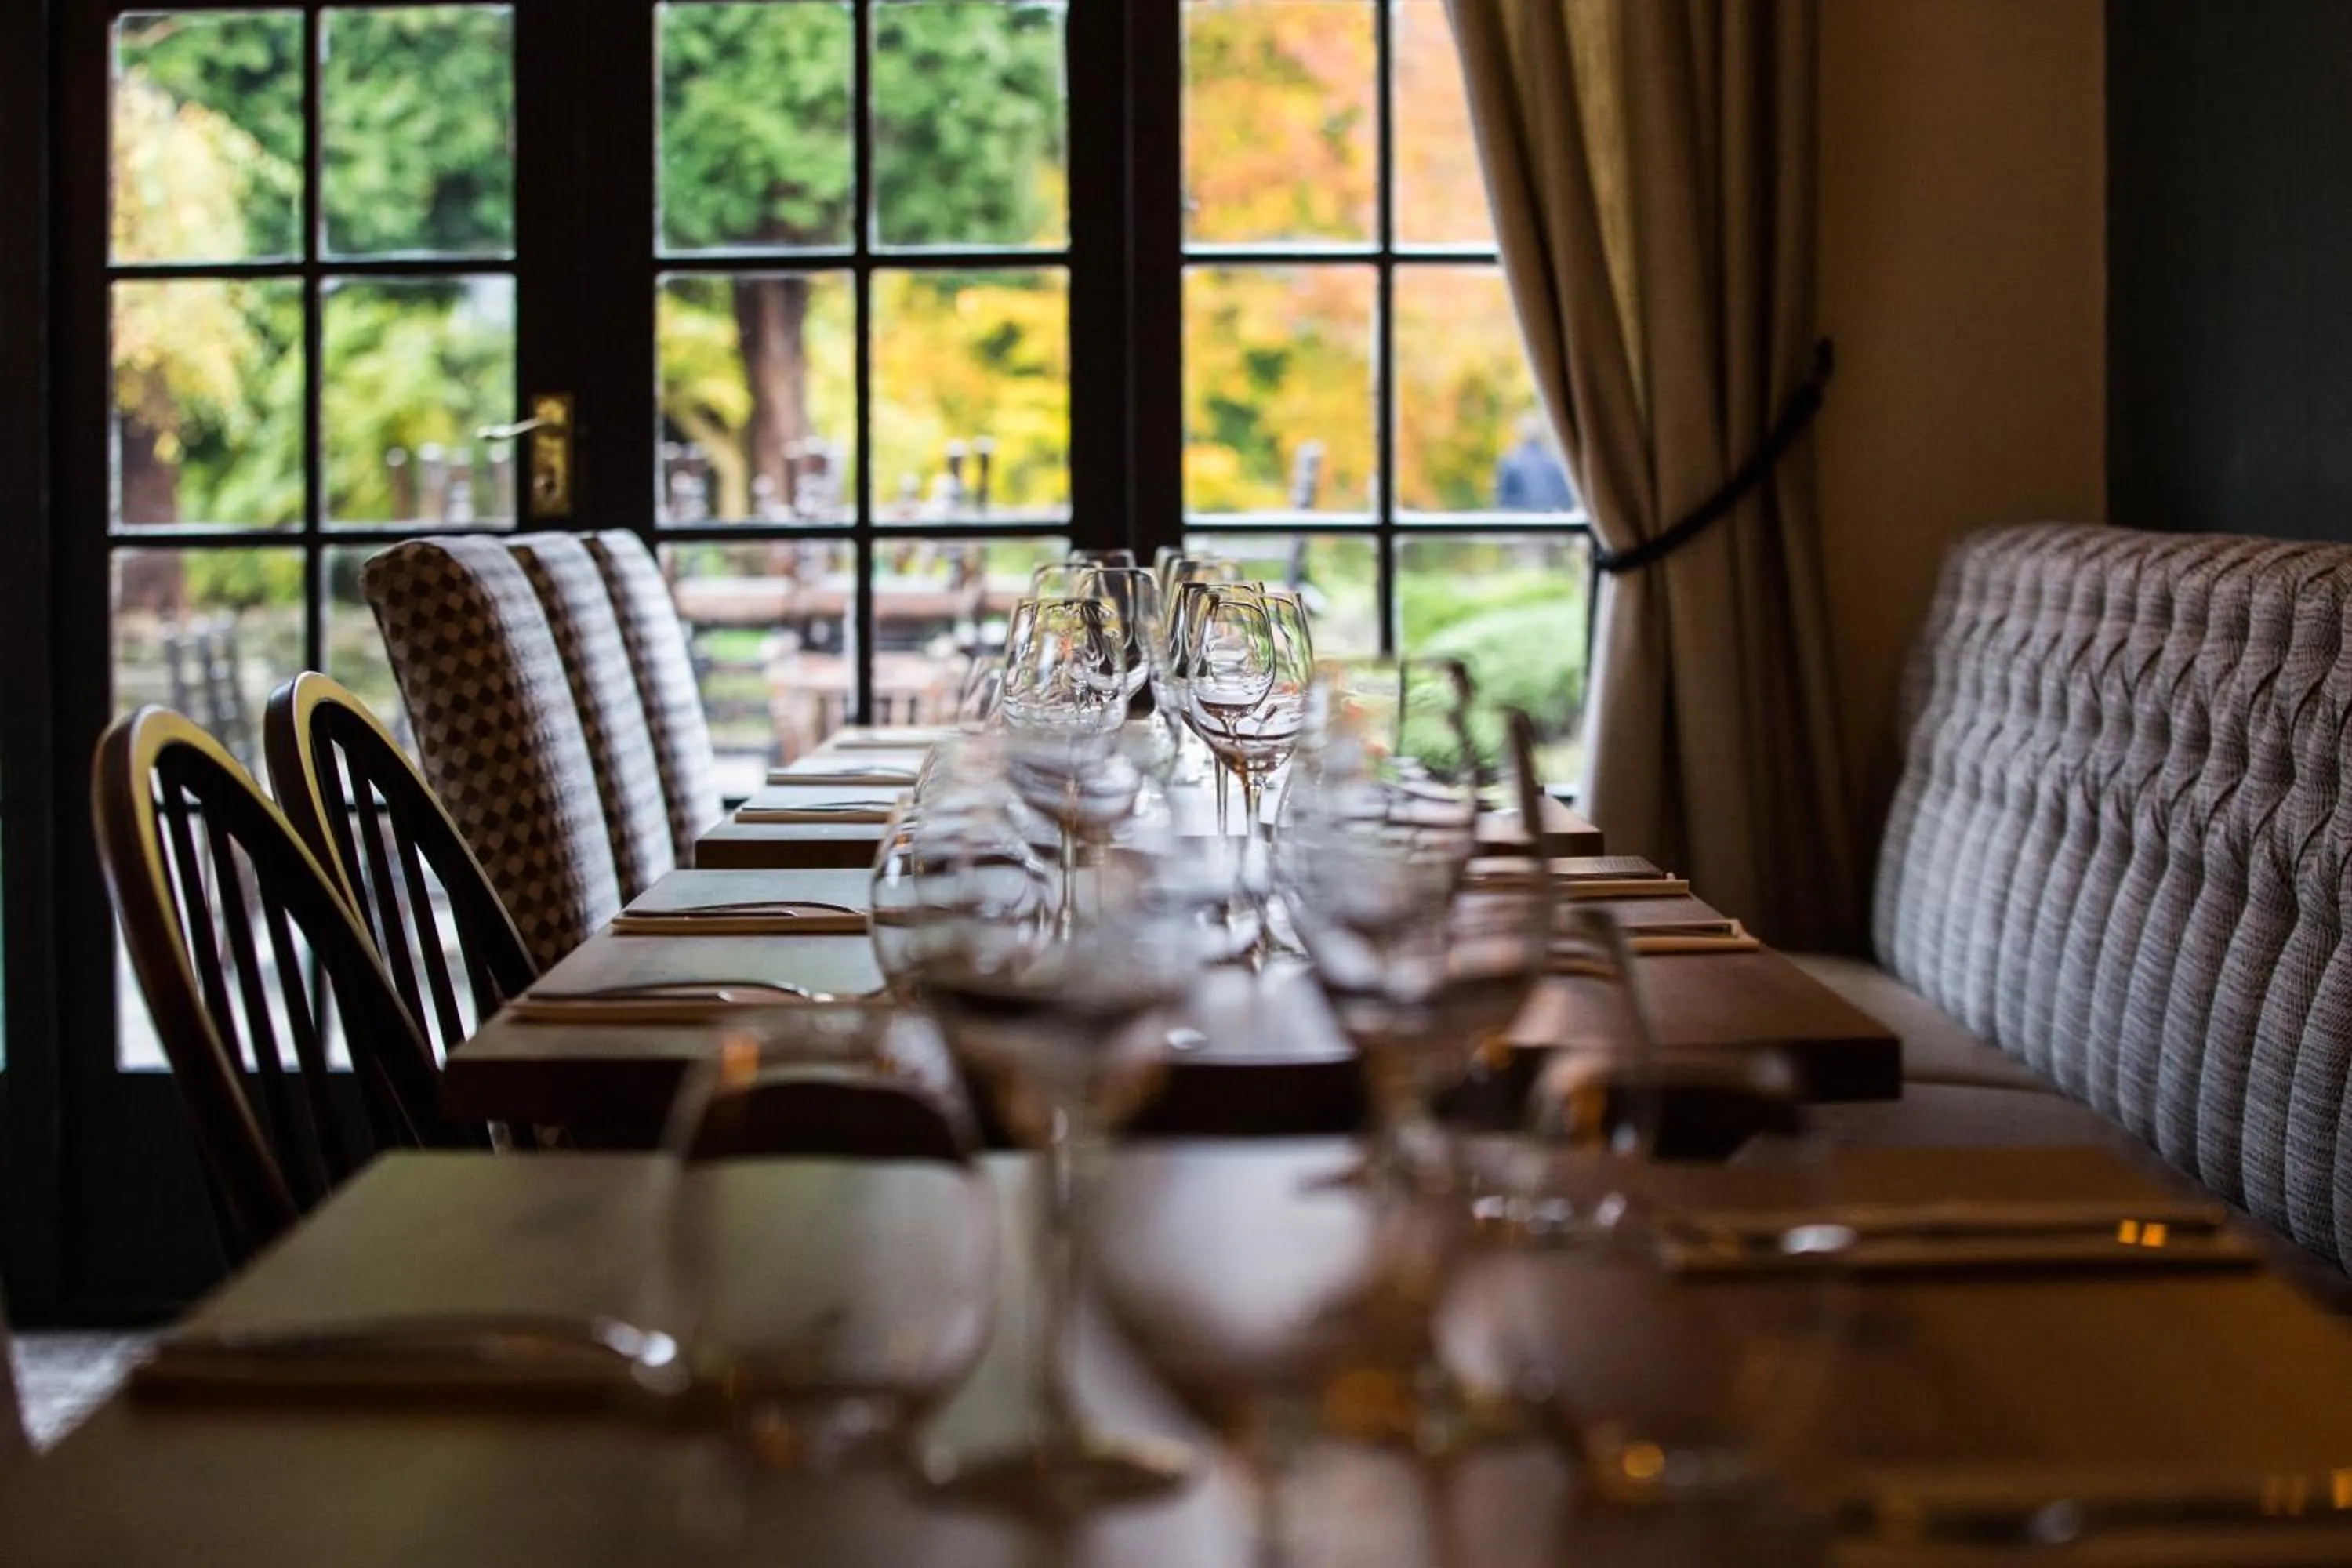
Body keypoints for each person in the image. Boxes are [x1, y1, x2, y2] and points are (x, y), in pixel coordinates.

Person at [1494, 414, 1579, 512]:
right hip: (1550, 520)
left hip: (1523, 521)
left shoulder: (1511, 462)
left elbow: (1504, 502)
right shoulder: (1553, 461)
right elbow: (1565, 498)